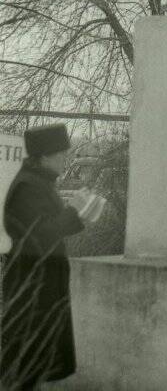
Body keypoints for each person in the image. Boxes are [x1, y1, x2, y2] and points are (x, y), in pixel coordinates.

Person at [1, 124, 91, 390]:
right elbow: (38, 234)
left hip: (40, 283)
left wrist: (80, 214)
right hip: (33, 285)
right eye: (61, 155)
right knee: (28, 360)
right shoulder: (29, 186)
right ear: (43, 157)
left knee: (35, 358)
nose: (65, 160)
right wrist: (73, 212)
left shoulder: (38, 182)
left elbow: (47, 228)